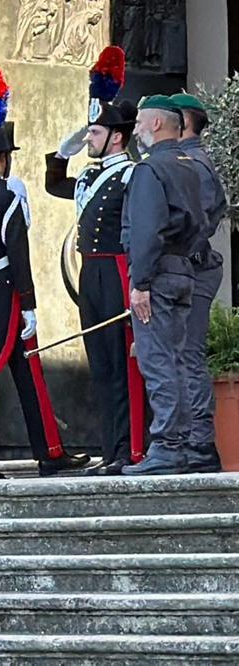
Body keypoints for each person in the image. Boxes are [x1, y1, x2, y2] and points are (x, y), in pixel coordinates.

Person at [0, 121, 90, 477]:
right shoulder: (7, 198)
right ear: (2, 158)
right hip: (6, 293)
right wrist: (28, 303)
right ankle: (48, 453)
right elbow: (18, 253)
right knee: (28, 374)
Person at [44, 99, 144, 475]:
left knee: (119, 362)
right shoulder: (88, 176)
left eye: (96, 132)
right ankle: (110, 447)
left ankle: (127, 449)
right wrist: (66, 149)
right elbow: (54, 184)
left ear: (117, 137)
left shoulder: (132, 175)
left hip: (116, 271)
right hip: (90, 274)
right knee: (101, 363)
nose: (90, 138)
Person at [122, 95, 207, 475]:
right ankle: (185, 444)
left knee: (158, 361)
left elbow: (145, 229)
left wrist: (140, 282)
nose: (136, 129)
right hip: (183, 269)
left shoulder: (150, 169)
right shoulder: (190, 166)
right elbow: (204, 222)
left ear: (156, 124)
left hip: (156, 273)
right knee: (178, 359)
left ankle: (168, 447)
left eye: (140, 122)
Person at [171, 92, 230, 473]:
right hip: (189, 265)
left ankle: (200, 443)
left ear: (181, 122)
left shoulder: (192, 162)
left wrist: (177, 250)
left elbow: (204, 218)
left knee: (187, 353)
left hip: (194, 267)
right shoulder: (189, 160)